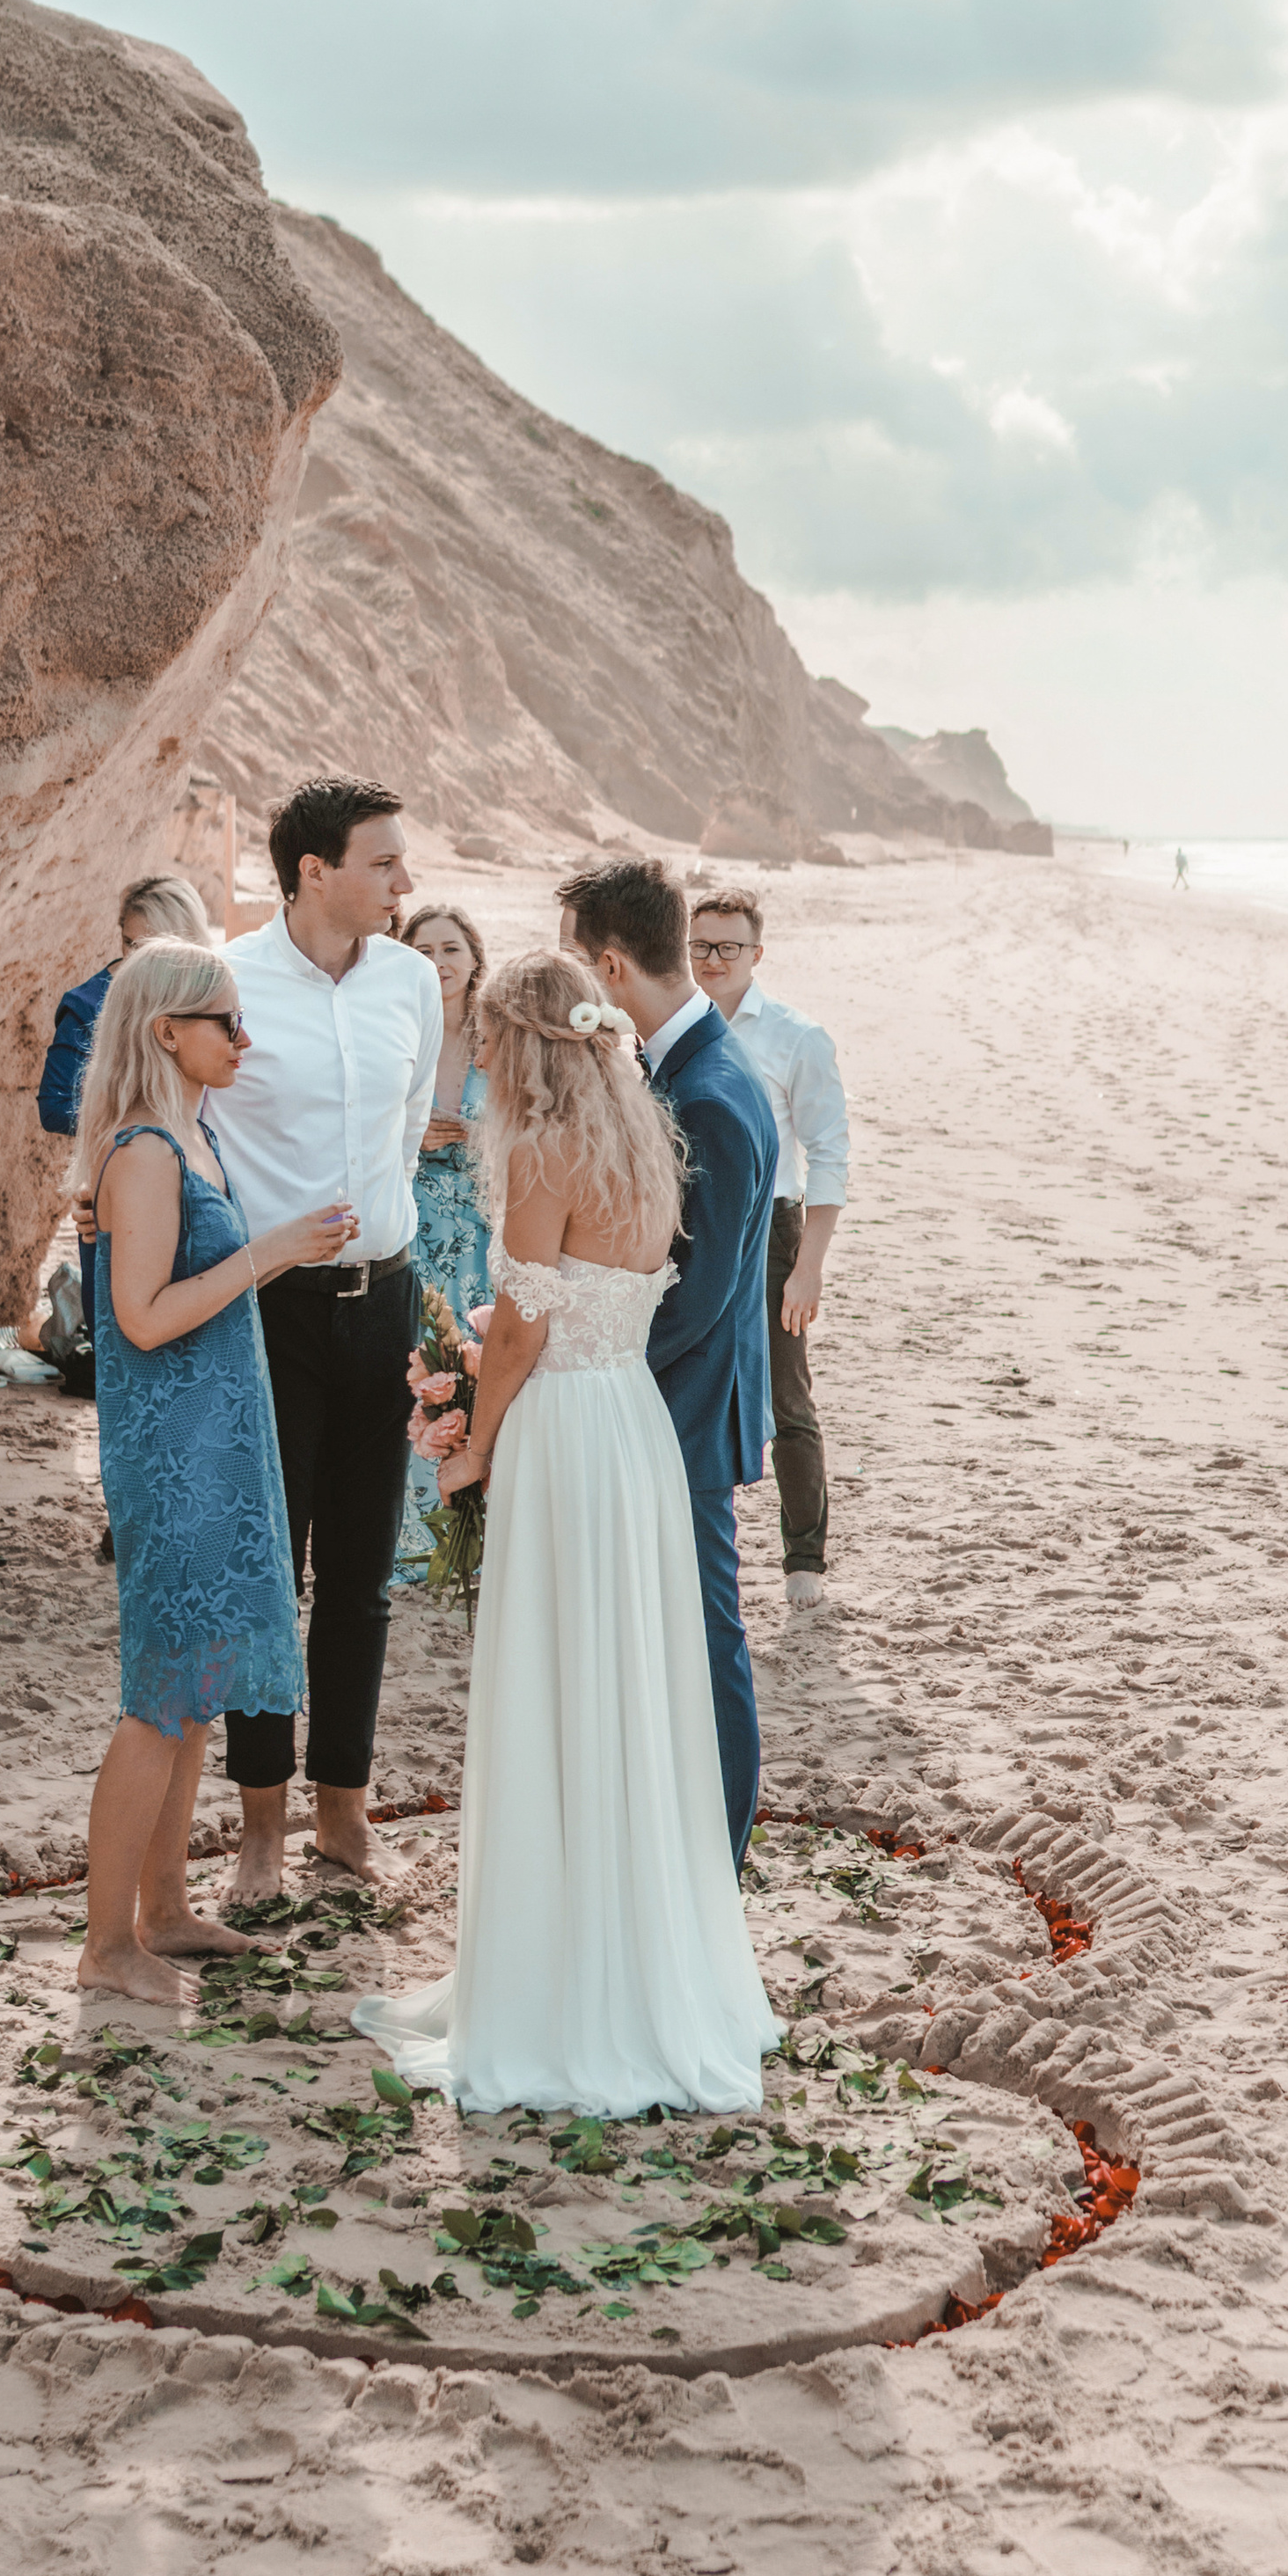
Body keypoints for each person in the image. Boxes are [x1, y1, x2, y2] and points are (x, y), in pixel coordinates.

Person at [352, 951, 777, 2113]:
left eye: (487, 1035)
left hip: (563, 1438)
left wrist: (471, 1441)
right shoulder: (644, 1138)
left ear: (526, 1042)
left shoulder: (543, 1150)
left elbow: (528, 1332)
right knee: (625, 1690)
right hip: (630, 1429)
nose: (476, 1054)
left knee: (556, 1686)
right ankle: (642, 1964)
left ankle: (560, 1993)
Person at [75, 939, 353, 2006]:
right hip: (175, 1455)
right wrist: (271, 1252)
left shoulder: (190, 1137)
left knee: (198, 1691)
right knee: (159, 1696)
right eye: (226, 1024)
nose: (246, 1040)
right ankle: (107, 1947)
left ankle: (167, 1911)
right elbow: (141, 1320)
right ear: (166, 1033)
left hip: (221, 1442)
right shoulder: (146, 1151)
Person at [556, 858, 776, 1863]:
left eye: (578, 963)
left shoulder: (714, 1095)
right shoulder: (683, 1067)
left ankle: (718, 1853)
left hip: (683, 1405)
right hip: (665, 1396)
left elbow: (707, 1288)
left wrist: (585, 1351)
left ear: (610, 961)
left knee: (703, 1629)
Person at [690, 886, 848, 1612]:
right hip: (685, 1227)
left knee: (786, 1396)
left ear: (758, 953)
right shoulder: (664, 1029)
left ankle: (804, 1557)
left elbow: (829, 1157)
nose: (713, 959)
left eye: (729, 946)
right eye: (701, 945)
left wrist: (808, 1267)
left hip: (773, 1233)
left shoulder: (796, 1036)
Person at [38, 871, 211, 1345]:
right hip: (124, 1203)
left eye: (156, 946)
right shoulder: (90, 1003)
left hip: (206, 1205)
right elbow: (54, 1105)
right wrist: (137, 1128)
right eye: (133, 945)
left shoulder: (212, 1003)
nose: (142, 961)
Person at [392, 900, 493, 1584]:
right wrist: (412, 1135)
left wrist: (478, 1138)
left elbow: (535, 1130)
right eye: (423, 951)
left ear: (475, 959)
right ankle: (418, 1541)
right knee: (422, 1376)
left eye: (451, 949)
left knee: (486, 1376)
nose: (439, 963)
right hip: (419, 1228)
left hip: (486, 1229)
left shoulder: (503, 1039)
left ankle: (481, 1539)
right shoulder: (396, 1035)